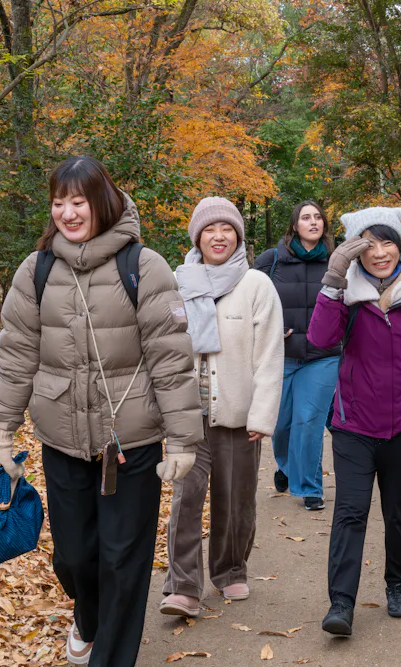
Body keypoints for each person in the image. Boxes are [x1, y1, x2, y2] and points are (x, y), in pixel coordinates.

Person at [0, 156, 202, 667]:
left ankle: (110, 655)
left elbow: (170, 359)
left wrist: (184, 440)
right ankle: (87, 618)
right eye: (59, 202)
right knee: (75, 556)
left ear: (102, 202)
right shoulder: (37, 270)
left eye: (78, 201)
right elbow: (16, 357)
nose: (68, 212)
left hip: (130, 443)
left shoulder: (144, 266)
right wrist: (2, 433)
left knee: (123, 559)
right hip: (62, 440)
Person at [307, 206, 401, 636]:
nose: (379, 252)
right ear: (355, 252)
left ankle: (397, 585)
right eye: (368, 244)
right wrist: (333, 281)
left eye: (387, 241)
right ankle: (341, 602)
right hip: (353, 425)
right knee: (350, 513)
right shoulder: (344, 293)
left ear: (400, 243)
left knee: (399, 513)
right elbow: (320, 339)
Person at [159, 197, 284, 618]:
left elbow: (269, 355)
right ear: (197, 236)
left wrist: (262, 415)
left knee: (236, 500)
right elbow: (165, 350)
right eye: (210, 230)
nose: (218, 237)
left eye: (226, 229)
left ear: (238, 235)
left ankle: (230, 569)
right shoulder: (178, 283)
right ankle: (183, 585)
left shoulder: (256, 285)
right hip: (187, 417)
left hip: (238, 415)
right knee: (187, 499)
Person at [253, 201, 340, 511]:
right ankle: (287, 466)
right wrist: (268, 330)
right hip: (282, 356)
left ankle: (310, 487)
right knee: (282, 425)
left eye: (318, 217)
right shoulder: (271, 261)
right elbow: (251, 300)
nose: (313, 222)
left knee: (309, 421)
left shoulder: (336, 262)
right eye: (306, 217)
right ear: (294, 226)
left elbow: (350, 304)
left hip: (323, 356)